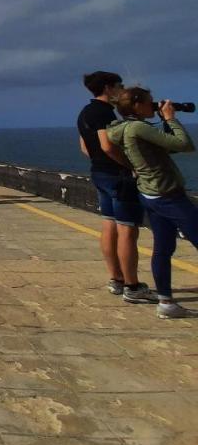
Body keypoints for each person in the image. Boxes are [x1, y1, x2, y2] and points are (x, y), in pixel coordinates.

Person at [107, 88, 198, 319]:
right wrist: (170, 118)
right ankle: (166, 302)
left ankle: (166, 303)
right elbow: (185, 145)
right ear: (136, 105)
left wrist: (164, 123)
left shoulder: (124, 128)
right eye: (149, 102)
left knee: (163, 248)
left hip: (149, 194)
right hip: (168, 196)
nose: (153, 105)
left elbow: (165, 147)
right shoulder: (138, 128)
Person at [77, 71, 153, 303]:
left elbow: (84, 147)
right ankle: (132, 285)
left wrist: (100, 161)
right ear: (109, 88)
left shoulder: (85, 113)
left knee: (109, 224)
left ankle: (116, 279)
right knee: (128, 230)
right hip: (118, 177)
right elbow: (107, 146)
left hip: (99, 173)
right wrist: (132, 166)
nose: (122, 90)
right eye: (119, 86)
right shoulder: (104, 113)